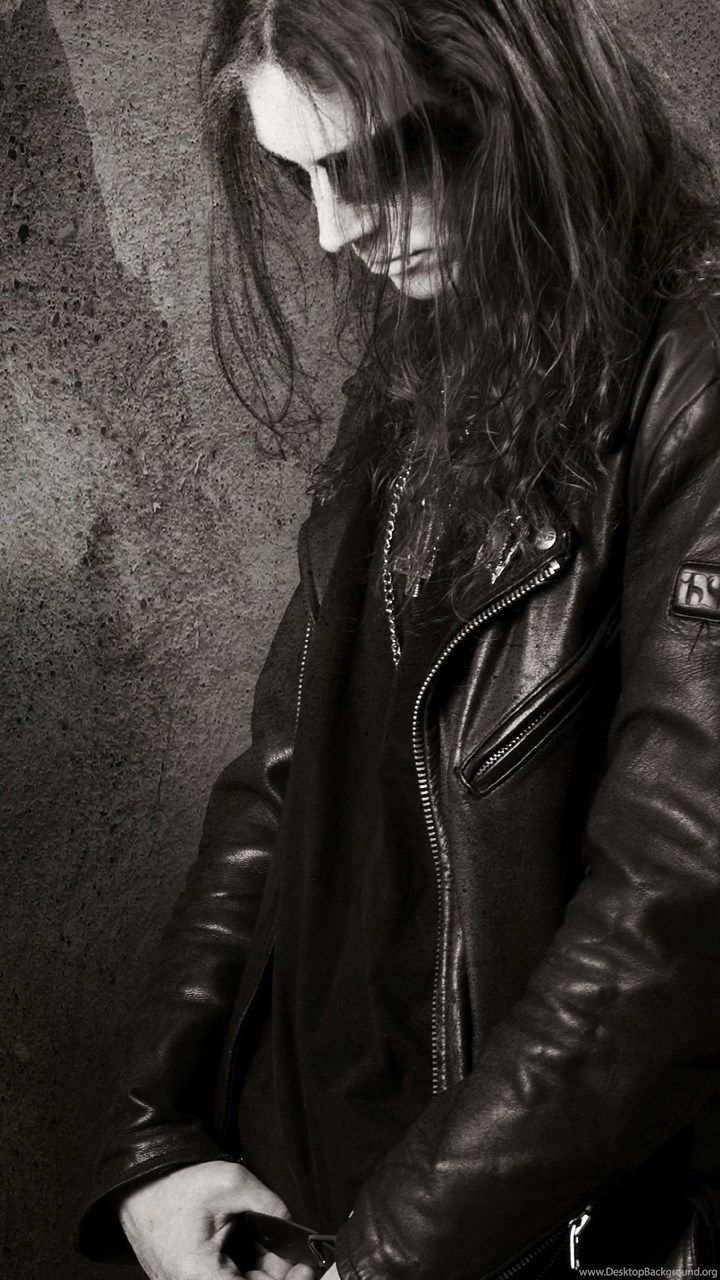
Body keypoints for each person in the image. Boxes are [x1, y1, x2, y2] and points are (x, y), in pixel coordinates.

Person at [77, 1, 720, 1278]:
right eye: (300, 175)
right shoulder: (456, 331)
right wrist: (154, 1136)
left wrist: (388, 1257)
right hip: (308, 1178)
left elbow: (677, 909)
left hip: (512, 1226)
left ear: (519, 98)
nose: (334, 229)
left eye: (372, 162)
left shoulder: (694, 375)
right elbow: (282, 773)